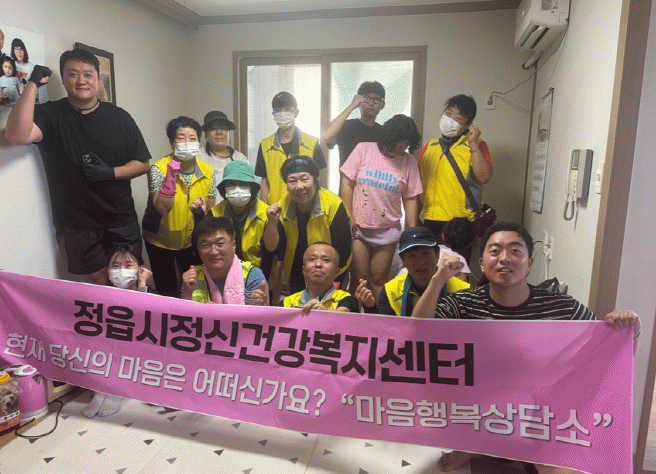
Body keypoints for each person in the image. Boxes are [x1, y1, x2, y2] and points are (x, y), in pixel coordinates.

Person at [410, 222, 641, 474]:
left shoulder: (561, 307)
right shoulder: (463, 304)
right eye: (495, 251)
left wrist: (630, 331)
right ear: (481, 264)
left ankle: (525, 455)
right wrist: (437, 281)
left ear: (529, 264)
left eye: (515, 251)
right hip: (479, 410)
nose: (504, 258)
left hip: (543, 416)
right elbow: (417, 334)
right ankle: (475, 447)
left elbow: (607, 355)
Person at [5, 48, 151, 285]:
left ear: (98, 80)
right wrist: (33, 84)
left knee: (128, 279)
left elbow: (142, 164)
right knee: (97, 280)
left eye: (88, 74)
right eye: (73, 74)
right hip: (77, 222)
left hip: (120, 216)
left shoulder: (119, 117)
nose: (81, 81)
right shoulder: (51, 114)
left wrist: (111, 173)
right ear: (63, 79)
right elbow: (16, 135)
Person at [341, 114, 423, 302]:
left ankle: (379, 316)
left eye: (406, 144)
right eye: (399, 143)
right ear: (389, 138)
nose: (402, 148)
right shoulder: (364, 149)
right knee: (359, 280)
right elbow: (347, 183)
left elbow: (411, 197)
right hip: (360, 228)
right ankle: (353, 316)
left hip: (388, 230)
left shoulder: (408, 161)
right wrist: (349, 215)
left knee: (379, 279)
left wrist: (412, 230)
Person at [142, 116, 217, 298]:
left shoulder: (208, 171)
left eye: (192, 138)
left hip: (191, 241)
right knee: (166, 289)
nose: (187, 143)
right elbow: (162, 207)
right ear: (171, 142)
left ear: (199, 142)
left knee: (196, 287)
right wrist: (170, 179)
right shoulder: (158, 169)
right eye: (181, 138)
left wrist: (201, 212)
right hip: (160, 240)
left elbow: (210, 209)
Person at [418, 95, 493, 261]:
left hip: (461, 224)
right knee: (429, 271)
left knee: (457, 272)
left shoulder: (477, 145)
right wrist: (414, 221)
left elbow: (484, 177)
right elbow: (416, 186)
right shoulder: (429, 147)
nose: (450, 119)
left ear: (468, 124)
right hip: (430, 220)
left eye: (458, 118)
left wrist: (473, 144)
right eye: (448, 113)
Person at [83, 245, 153, 419]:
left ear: (140, 269)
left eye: (128, 265)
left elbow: (143, 317)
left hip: (138, 351)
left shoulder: (149, 293)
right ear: (108, 270)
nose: (121, 270)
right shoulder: (101, 294)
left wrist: (142, 284)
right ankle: (101, 392)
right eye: (115, 266)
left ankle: (116, 392)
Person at [266, 156, 352, 296]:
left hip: (329, 274)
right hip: (297, 271)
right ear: (286, 185)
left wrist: (332, 277)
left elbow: (344, 249)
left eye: (304, 179)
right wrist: (272, 222)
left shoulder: (334, 205)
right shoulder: (282, 206)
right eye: (292, 181)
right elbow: (272, 248)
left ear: (315, 180)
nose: (299, 186)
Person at [190, 160, 285, 280]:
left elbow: (273, 249)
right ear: (224, 188)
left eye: (243, 184)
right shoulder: (215, 213)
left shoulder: (266, 214)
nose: (237, 189)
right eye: (231, 184)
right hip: (223, 277)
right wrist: (199, 217)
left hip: (258, 277)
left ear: (252, 188)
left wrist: (272, 222)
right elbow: (199, 248)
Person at [370, 227, 470, 316]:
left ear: (437, 255)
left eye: (425, 253)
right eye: (412, 255)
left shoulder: (462, 291)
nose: (420, 262)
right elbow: (386, 329)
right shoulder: (390, 291)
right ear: (403, 260)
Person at [255, 91, 326, 204]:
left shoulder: (312, 143)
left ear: (296, 112)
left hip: (305, 207)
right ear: (273, 114)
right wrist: (265, 209)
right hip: (276, 208)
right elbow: (264, 182)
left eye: (287, 109)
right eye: (278, 110)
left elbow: (318, 180)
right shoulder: (265, 145)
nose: (282, 113)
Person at [181, 216, 268, 305]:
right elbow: (182, 312)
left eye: (220, 244)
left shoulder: (252, 276)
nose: (213, 252)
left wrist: (262, 305)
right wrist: (187, 292)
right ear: (198, 249)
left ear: (233, 245)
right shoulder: (192, 278)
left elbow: (261, 312)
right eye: (206, 245)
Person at [323, 80, 386, 169]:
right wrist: (352, 105)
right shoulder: (346, 126)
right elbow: (327, 136)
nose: (371, 103)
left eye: (376, 99)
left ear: (382, 105)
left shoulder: (384, 132)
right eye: (366, 98)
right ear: (359, 101)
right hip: (347, 178)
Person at [283, 242, 359, 313]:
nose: (318, 264)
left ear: (337, 272)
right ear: (304, 270)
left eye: (326, 260)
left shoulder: (347, 300)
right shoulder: (286, 303)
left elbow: (346, 315)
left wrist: (325, 312)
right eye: (312, 259)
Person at [198, 111, 250, 189]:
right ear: (206, 134)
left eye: (223, 128)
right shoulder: (198, 157)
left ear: (228, 133)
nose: (219, 132)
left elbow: (248, 187)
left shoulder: (240, 158)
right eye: (213, 129)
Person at [10, 38, 47, 104]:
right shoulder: (10, 65)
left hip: (28, 100)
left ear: (24, 51)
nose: (19, 52)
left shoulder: (31, 66)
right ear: (13, 50)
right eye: (16, 49)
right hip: (13, 101)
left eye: (21, 49)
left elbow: (35, 87)